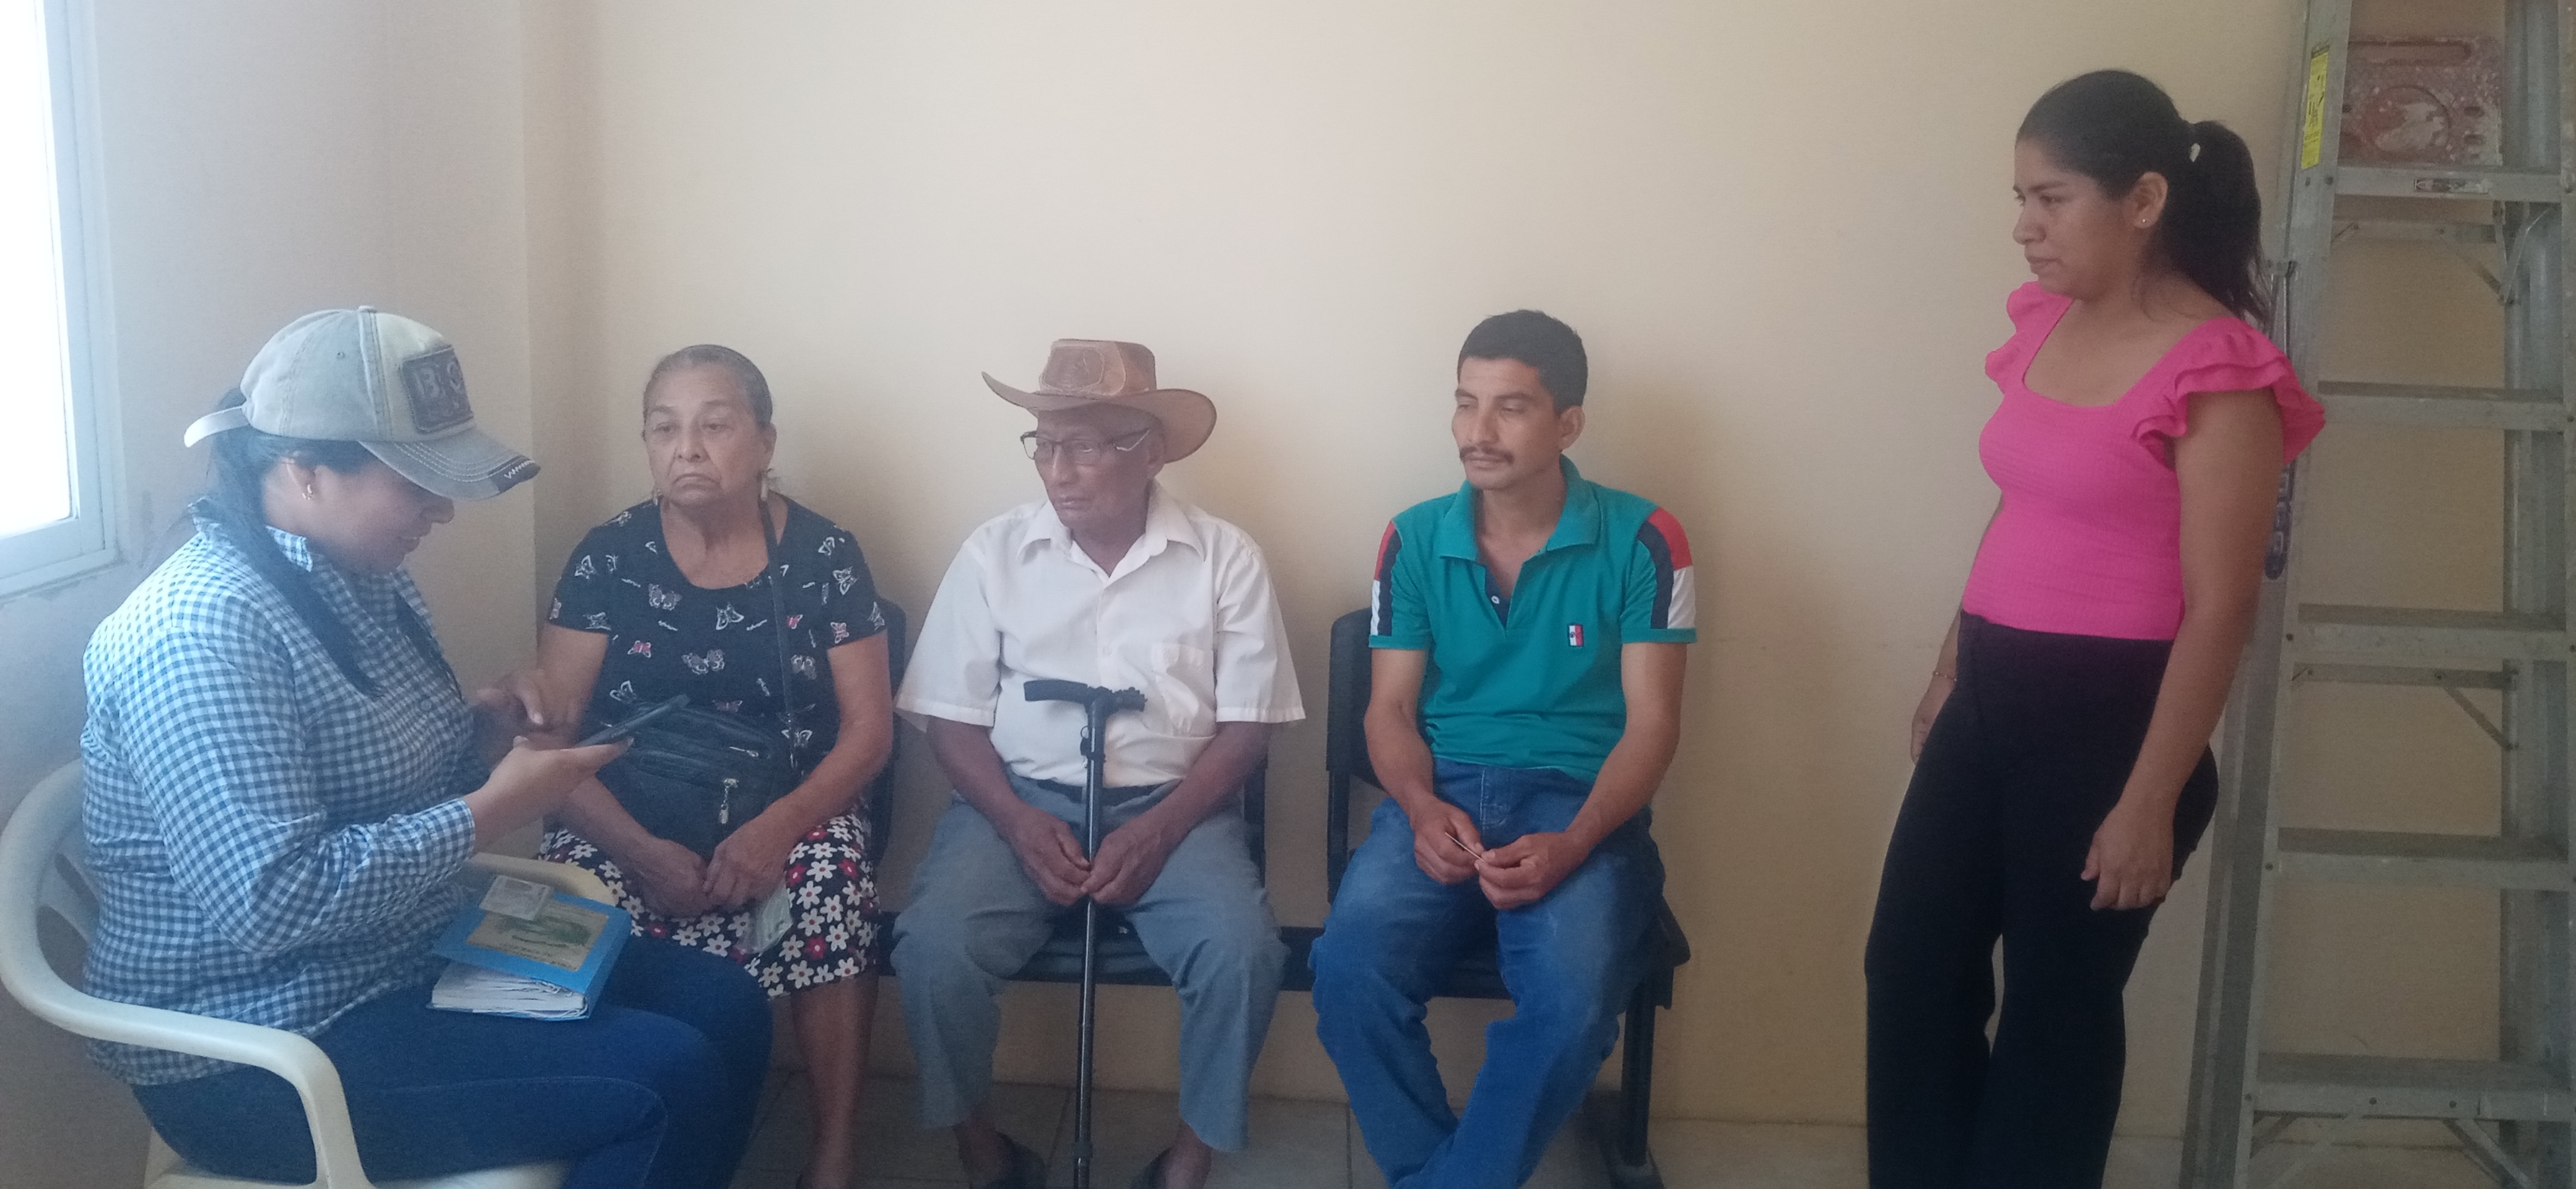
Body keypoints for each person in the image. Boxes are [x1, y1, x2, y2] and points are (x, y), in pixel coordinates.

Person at [80, 308, 773, 1189]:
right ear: (305, 470)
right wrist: (492, 809)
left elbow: (399, 791)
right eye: (416, 484)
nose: (442, 511)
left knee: (727, 1003)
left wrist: (483, 740)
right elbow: (272, 903)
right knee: (667, 1080)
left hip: (402, 958)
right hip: (262, 1044)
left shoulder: (368, 582)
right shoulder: (201, 631)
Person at [1863, 71, 2327, 1188]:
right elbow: (2021, 506)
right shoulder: (2047, 326)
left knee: (2055, 1017)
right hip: (1991, 697)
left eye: (2051, 198)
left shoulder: (2219, 370)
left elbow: (2223, 604)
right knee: (1912, 969)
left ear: (2146, 200)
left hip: (2114, 727)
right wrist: (1950, 668)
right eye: (2020, 199)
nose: (2025, 227)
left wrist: (2150, 800)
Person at [890, 340, 1303, 1189]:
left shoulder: (1224, 557)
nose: (1058, 470)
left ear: (1150, 451)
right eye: (1044, 444)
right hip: (1014, 802)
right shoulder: (993, 554)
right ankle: (984, 1152)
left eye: (1082, 446)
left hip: (1177, 810)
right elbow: (950, 720)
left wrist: (1159, 831)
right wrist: (1016, 821)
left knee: (1242, 951)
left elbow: (1248, 728)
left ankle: (1187, 1161)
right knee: (933, 949)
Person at [1310, 310, 1694, 1189]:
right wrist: (1418, 808)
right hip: (1441, 795)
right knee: (1348, 972)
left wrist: (1579, 839)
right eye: (1465, 403)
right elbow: (1389, 709)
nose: (1478, 431)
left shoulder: (1647, 537)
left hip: (1578, 805)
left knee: (1573, 1002)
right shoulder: (1412, 537)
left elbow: (1653, 726)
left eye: (1511, 407)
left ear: (1568, 424)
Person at [534, 344, 895, 1189]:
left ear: (765, 443)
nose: (687, 448)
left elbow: (870, 733)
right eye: (664, 429)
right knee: (575, 889)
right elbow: (551, 741)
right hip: (629, 809)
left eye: (714, 425)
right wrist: (640, 851)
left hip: (788, 803)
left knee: (831, 877)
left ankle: (833, 1154)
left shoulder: (825, 555)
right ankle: (627, 1120)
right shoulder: (608, 556)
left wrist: (776, 830)